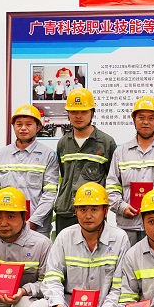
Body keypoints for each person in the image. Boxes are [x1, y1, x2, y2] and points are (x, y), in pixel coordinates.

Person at [28, 182, 131, 307]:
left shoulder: (119, 238)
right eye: (83, 209)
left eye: (94, 209)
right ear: (75, 211)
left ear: (105, 211)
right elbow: (52, 277)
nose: (88, 215)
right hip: (70, 306)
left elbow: (120, 288)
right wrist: (59, 306)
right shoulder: (64, 237)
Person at [107, 96, 154, 246]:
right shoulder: (121, 152)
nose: (146, 122)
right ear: (133, 119)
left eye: (151, 118)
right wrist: (122, 207)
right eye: (141, 117)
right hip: (127, 226)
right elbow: (111, 187)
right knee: (128, 260)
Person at [53, 88, 116, 233]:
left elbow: (111, 179)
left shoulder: (106, 143)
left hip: (93, 213)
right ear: (68, 114)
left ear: (92, 112)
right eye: (74, 112)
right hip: (65, 211)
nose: (78, 116)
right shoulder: (63, 143)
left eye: (83, 112)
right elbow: (64, 175)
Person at [0, 105, 58, 237]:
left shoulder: (48, 155)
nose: (23, 128)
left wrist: (33, 222)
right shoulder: (1, 155)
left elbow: (50, 194)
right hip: (7, 226)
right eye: (19, 124)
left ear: (38, 127)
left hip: (37, 228)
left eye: (28, 124)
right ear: (13, 126)